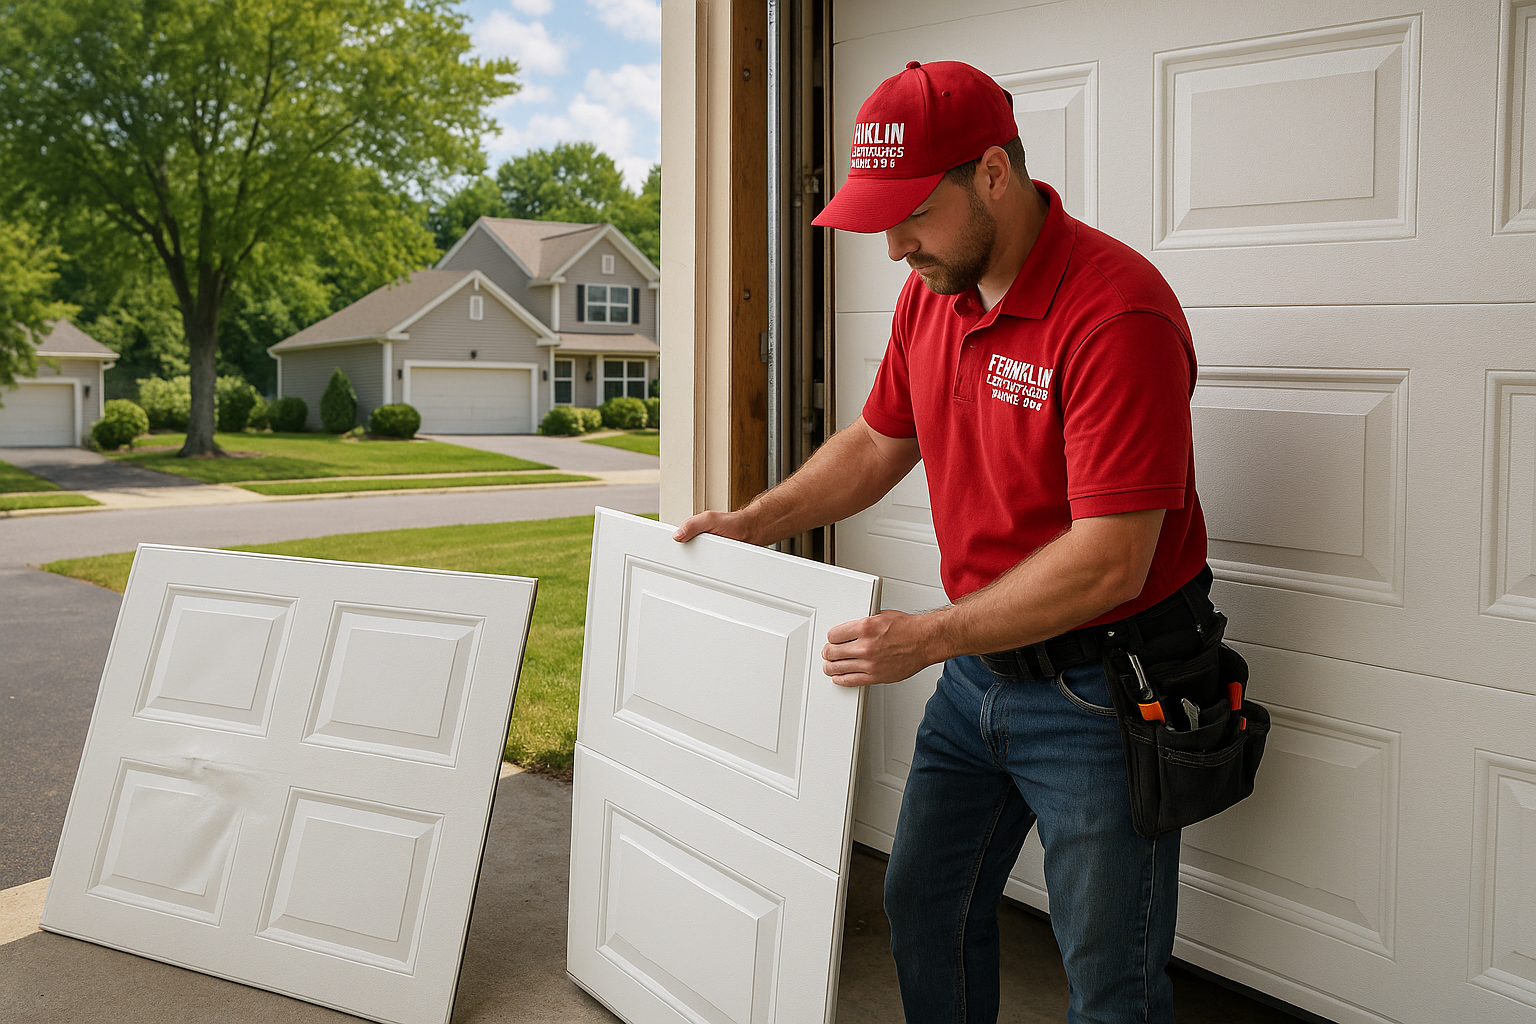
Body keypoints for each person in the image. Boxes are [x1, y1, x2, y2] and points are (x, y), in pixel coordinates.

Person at [674, 59, 1210, 1024]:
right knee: (924, 903)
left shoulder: (1115, 313)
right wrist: (756, 521)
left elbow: (1110, 559)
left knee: (1109, 981)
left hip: (1100, 690)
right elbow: (882, 440)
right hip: (977, 677)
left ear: (993, 174)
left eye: (911, 212)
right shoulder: (933, 291)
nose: (892, 247)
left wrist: (927, 639)